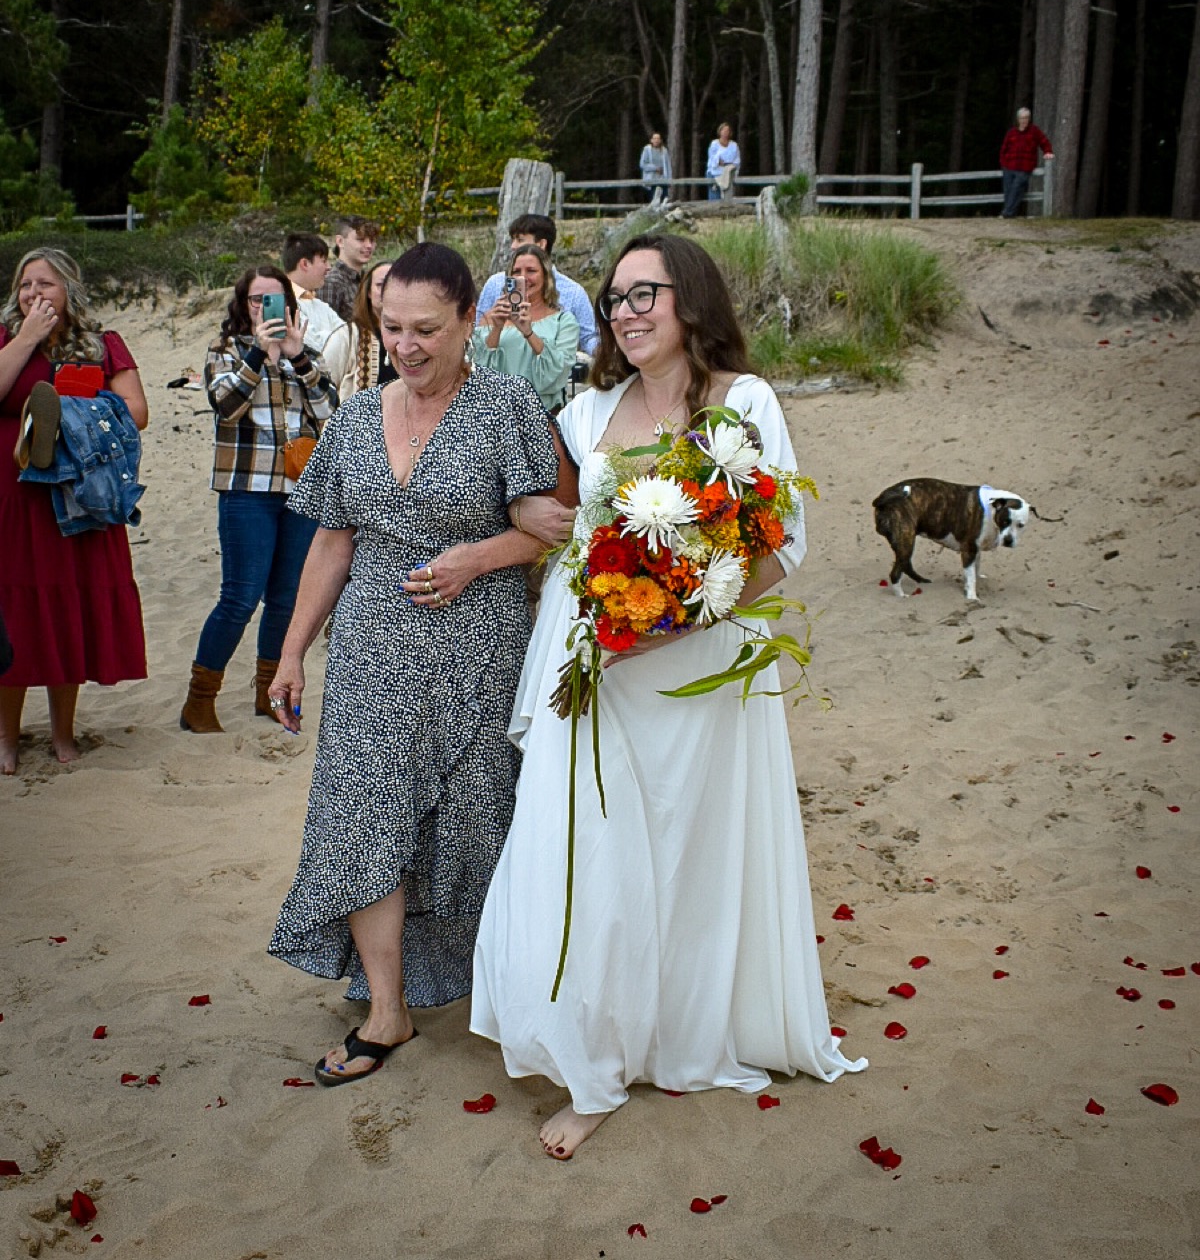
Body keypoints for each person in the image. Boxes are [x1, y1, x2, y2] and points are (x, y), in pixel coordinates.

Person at [472, 233, 866, 1160]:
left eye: (645, 292)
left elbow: (775, 549)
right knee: (587, 850)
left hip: (696, 670)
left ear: (690, 298)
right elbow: (555, 520)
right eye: (614, 298)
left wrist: (663, 628)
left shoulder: (745, 402)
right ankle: (593, 1059)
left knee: (688, 854)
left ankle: (674, 1034)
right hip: (594, 668)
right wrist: (528, 526)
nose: (626, 311)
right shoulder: (585, 411)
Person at [267, 242, 573, 1088]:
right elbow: (332, 540)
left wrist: (477, 556)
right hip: (369, 653)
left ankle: (489, 986)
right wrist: (292, 652)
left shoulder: (509, 406)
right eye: (393, 326)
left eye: (427, 329)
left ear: (469, 321)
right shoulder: (360, 416)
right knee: (363, 818)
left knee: (476, 825)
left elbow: (552, 528)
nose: (407, 344)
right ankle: (388, 1010)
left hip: (478, 654)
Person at [0, 248, 149, 773]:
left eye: (46, 283)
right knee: (15, 610)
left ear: (70, 291)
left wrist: (77, 408)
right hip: (15, 495)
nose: (33, 293)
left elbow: (137, 411)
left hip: (81, 491)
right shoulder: (5, 337)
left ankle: (63, 731)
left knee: (68, 609)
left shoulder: (103, 344)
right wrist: (26, 339)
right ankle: (7, 736)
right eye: (25, 285)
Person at [179, 267, 337, 733]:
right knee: (240, 597)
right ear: (242, 305)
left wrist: (296, 358)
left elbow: (332, 408)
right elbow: (225, 406)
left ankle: (269, 695)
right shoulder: (225, 350)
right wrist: (258, 354)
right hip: (246, 489)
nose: (263, 308)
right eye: (254, 300)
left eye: (272, 299)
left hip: (299, 489)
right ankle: (199, 700)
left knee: (286, 599)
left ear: (289, 304)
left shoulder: (303, 351)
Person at [472, 244, 580, 412]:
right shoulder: (490, 318)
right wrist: (497, 329)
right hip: (496, 419)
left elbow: (556, 377)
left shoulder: (563, 321)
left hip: (544, 416)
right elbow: (478, 375)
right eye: (516, 272)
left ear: (546, 276)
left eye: (531, 271)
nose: (523, 277)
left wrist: (528, 332)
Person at [476, 214, 598, 356]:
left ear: (541, 244)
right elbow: (477, 330)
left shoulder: (573, 292)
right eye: (513, 239)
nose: (513, 246)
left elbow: (588, 338)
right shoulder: (495, 284)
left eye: (520, 239)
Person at [319, 258, 397, 403]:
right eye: (381, 284)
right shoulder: (347, 337)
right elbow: (320, 390)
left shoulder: (415, 338)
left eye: (396, 284)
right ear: (368, 292)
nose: (388, 290)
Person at [283, 233, 343, 355]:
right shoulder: (283, 302)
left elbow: (349, 335)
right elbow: (313, 343)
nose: (329, 267)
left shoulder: (320, 305)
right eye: (324, 261)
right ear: (305, 264)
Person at [316, 214, 379, 322]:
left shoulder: (370, 280)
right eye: (361, 239)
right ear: (340, 241)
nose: (369, 245)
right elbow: (325, 331)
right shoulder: (331, 283)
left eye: (372, 240)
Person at [999, 108, 1053, 219]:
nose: (1024, 120)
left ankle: (1006, 213)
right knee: (1008, 190)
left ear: (1029, 119)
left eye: (1026, 118)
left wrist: (1048, 152)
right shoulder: (1012, 132)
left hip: (1025, 167)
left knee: (1017, 188)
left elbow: (1044, 142)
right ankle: (1010, 214)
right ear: (1018, 119)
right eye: (1022, 118)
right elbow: (1004, 148)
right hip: (1009, 166)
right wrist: (1003, 162)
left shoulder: (1034, 131)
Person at [706, 122, 741, 200]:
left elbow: (737, 160)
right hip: (715, 172)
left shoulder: (734, 145)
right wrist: (718, 161)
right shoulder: (714, 144)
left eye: (727, 131)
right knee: (714, 199)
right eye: (724, 130)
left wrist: (731, 166)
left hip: (728, 173)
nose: (725, 133)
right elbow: (712, 158)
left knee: (728, 197)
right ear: (720, 131)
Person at [639, 131, 673, 203]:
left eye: (658, 138)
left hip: (663, 180)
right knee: (653, 201)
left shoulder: (664, 151)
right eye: (654, 138)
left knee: (664, 200)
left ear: (660, 140)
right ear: (651, 140)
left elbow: (668, 166)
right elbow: (642, 164)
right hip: (652, 180)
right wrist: (655, 168)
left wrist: (669, 180)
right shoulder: (647, 150)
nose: (656, 140)